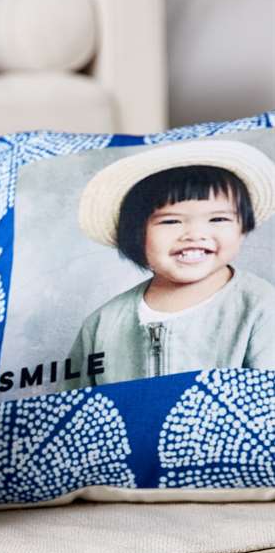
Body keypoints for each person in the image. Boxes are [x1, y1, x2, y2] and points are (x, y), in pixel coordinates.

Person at [64, 139, 275, 389]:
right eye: (171, 222)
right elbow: (74, 409)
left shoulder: (261, 307)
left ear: (242, 228)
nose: (195, 234)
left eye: (218, 218)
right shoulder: (102, 324)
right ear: (135, 233)